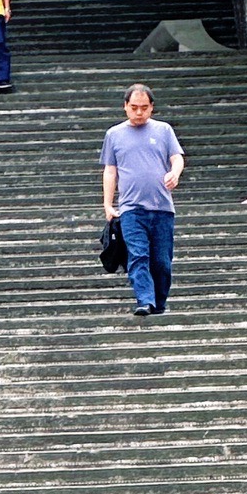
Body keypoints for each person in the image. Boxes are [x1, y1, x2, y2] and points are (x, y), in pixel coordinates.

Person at [101, 81, 184, 318]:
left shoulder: (163, 130)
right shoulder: (114, 134)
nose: (139, 112)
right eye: (134, 107)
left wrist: (174, 173)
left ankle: (158, 302)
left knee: (161, 261)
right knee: (138, 255)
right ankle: (144, 300)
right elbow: (110, 170)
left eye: (144, 107)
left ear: (152, 108)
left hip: (162, 208)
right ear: (125, 106)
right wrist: (108, 204)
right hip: (131, 209)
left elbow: (177, 157)